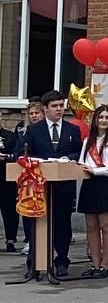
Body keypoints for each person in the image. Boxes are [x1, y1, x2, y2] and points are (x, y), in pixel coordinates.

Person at [22, 91, 82, 278]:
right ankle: (33, 263)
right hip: (39, 187)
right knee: (37, 224)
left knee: (62, 224)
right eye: (54, 106)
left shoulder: (72, 130)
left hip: (63, 186)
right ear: (45, 109)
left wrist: (67, 158)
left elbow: (80, 152)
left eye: (61, 106)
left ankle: (61, 261)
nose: (59, 109)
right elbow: (23, 153)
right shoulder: (34, 130)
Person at [78, 105, 108, 279]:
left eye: (107, 117)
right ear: (95, 119)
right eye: (100, 117)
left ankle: (105, 266)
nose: (103, 120)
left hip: (106, 183)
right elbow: (82, 162)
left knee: (106, 226)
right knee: (91, 226)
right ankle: (95, 264)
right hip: (89, 184)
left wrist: (96, 170)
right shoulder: (88, 141)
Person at [15, 101, 44, 256]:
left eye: (36, 113)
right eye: (31, 113)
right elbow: (18, 152)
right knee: (28, 208)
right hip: (28, 178)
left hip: (44, 176)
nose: (34, 116)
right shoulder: (24, 132)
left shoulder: (47, 131)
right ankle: (29, 240)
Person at [0, 121, 18, 252]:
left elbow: (16, 155)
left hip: (7, 179)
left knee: (10, 211)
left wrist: (6, 157)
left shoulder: (10, 136)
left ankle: (10, 239)